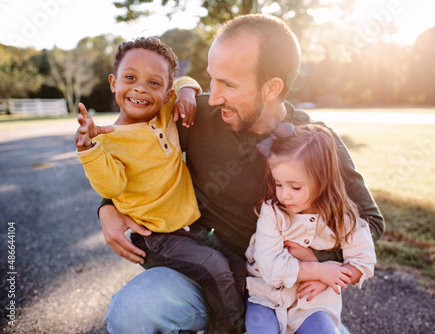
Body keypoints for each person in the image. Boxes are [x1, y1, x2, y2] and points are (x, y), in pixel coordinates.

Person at [97, 14, 385, 334]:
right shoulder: (196, 116)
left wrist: (313, 261)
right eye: (212, 79)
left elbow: (370, 221)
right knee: (131, 311)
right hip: (210, 274)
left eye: (228, 84)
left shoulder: (314, 142)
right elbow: (135, 146)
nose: (215, 96)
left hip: (287, 290)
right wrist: (107, 204)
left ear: (271, 88)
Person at [75, 37, 245, 333]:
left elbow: (185, 81)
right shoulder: (108, 140)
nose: (141, 88)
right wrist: (89, 149)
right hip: (158, 236)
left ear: (167, 92)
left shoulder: (166, 112)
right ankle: (231, 329)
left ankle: (234, 318)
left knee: (239, 269)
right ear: (114, 82)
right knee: (214, 267)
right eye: (130, 78)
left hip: (194, 229)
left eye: (154, 83)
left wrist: (187, 93)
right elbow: (111, 188)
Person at [245, 123, 377, 334]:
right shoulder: (273, 212)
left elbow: (363, 260)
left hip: (313, 301)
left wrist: (330, 277)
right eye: (278, 184)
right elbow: (269, 266)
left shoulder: (342, 217)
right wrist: (319, 271)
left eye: (295, 187)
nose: (284, 194)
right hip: (267, 297)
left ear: (322, 180)